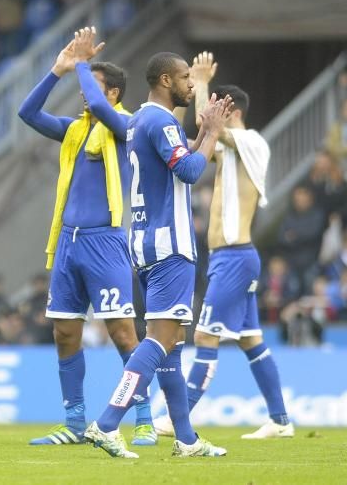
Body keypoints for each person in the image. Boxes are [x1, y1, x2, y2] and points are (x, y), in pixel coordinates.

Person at [85, 52, 232, 459]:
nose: (190, 84)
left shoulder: (139, 122)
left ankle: (185, 438)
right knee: (160, 339)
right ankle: (107, 422)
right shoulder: (159, 120)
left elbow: (180, 158)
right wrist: (215, 133)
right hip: (170, 245)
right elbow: (189, 172)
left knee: (172, 342)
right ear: (166, 80)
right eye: (186, 78)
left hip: (146, 243)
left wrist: (205, 130)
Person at [17, 27, 156, 447]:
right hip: (68, 241)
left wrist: (80, 63)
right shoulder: (75, 130)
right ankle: (75, 423)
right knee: (63, 331)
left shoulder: (125, 125)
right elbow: (27, 112)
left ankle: (145, 416)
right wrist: (59, 70)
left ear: (113, 93)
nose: (84, 94)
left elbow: (94, 102)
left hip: (106, 240)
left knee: (122, 332)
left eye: (92, 84)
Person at [153, 52, 293, 439]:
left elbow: (211, 127)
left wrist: (200, 83)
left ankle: (177, 417)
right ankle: (281, 421)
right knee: (251, 340)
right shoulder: (232, 149)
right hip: (228, 257)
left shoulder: (251, 141)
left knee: (204, 336)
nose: (213, 113)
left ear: (230, 110)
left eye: (219, 107)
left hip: (234, 255)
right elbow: (204, 139)